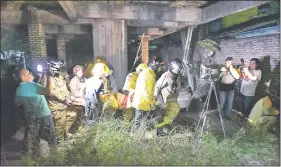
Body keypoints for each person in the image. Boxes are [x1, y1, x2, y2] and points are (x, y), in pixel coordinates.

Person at [15, 68, 57, 156]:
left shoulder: (18, 90)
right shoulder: (32, 86)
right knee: (51, 136)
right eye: (28, 73)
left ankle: (35, 158)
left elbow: (17, 103)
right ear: (23, 76)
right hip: (43, 115)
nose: (31, 73)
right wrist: (50, 77)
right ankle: (55, 157)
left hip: (30, 117)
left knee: (34, 138)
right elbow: (48, 91)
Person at [131, 56, 163, 135]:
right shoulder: (148, 75)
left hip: (143, 102)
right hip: (142, 102)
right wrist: (152, 103)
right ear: (155, 65)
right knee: (138, 121)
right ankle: (135, 137)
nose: (161, 68)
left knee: (139, 121)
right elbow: (146, 91)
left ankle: (138, 135)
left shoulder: (148, 73)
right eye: (160, 66)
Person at [47, 63, 77, 141]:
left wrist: (70, 97)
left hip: (64, 105)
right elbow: (51, 93)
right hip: (57, 107)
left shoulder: (60, 77)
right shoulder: (49, 79)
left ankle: (66, 134)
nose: (62, 71)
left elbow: (66, 89)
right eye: (60, 69)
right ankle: (60, 144)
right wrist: (65, 99)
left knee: (72, 115)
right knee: (59, 125)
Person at [154, 58, 183, 135]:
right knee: (163, 117)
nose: (179, 68)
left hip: (173, 101)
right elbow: (157, 86)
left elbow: (180, 87)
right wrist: (155, 98)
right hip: (165, 101)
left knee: (172, 115)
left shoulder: (178, 77)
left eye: (180, 66)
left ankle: (165, 129)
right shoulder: (166, 76)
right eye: (178, 66)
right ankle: (158, 130)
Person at [68, 65, 86, 132]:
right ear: (75, 72)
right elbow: (75, 93)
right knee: (77, 119)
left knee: (82, 118)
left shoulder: (83, 79)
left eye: (82, 71)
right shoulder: (73, 81)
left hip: (83, 102)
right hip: (77, 103)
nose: (81, 72)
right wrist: (82, 91)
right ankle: (74, 132)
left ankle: (79, 131)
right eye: (80, 71)